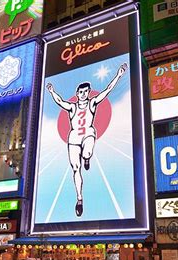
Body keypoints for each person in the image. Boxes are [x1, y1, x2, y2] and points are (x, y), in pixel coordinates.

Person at [46, 63, 127, 217]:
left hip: (88, 133)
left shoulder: (92, 103)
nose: (83, 94)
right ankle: (79, 199)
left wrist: (119, 74)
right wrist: (51, 91)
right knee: (76, 168)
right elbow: (59, 101)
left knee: (87, 152)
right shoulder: (72, 107)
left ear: (89, 92)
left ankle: (87, 158)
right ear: (77, 93)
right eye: (81, 92)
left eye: (86, 91)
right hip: (74, 138)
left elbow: (107, 90)